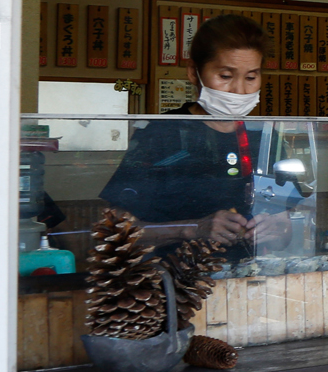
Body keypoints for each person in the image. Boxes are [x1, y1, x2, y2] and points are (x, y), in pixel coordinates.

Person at [101, 14, 294, 256]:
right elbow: (116, 229)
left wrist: (276, 230)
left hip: (243, 282)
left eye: (251, 77)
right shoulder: (162, 132)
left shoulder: (264, 136)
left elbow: (285, 230)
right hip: (172, 285)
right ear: (194, 73)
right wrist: (191, 229)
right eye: (225, 76)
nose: (239, 90)